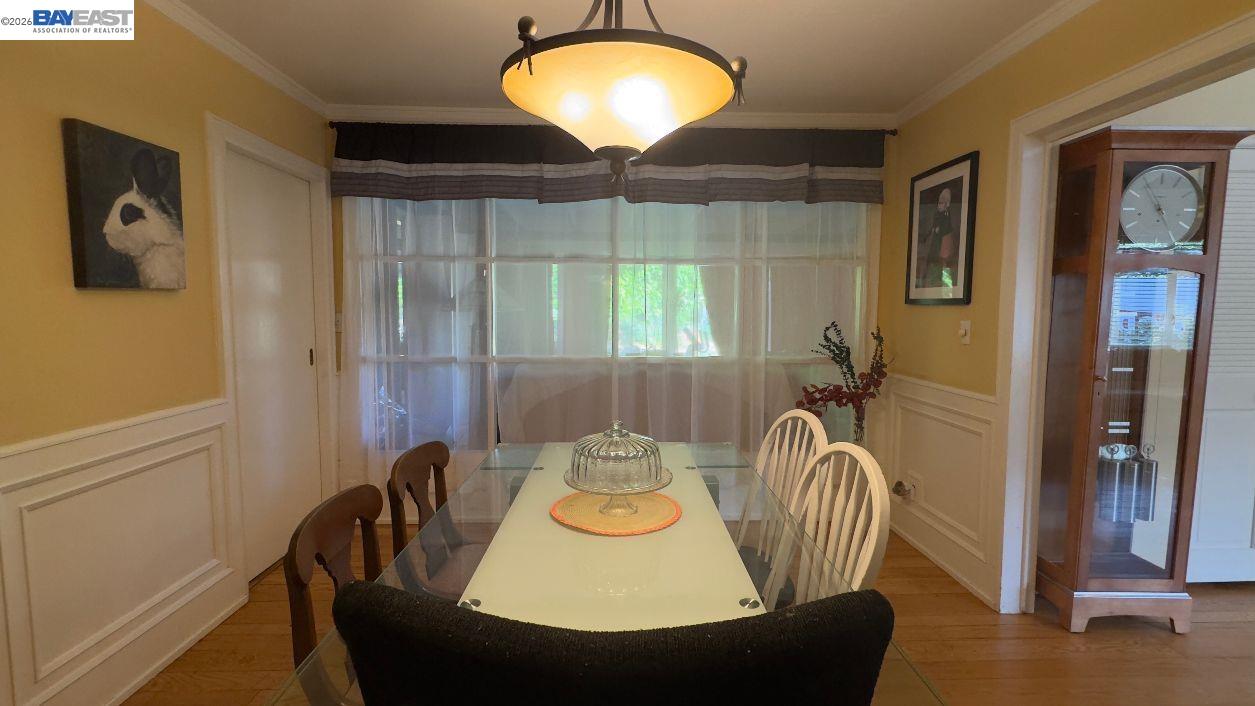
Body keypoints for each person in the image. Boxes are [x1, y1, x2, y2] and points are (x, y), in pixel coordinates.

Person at [916, 187, 958, 289]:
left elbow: (947, 228)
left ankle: (946, 284)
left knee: (943, 261)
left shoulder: (946, 216)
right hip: (936, 241)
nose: (939, 205)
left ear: (946, 204)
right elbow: (932, 227)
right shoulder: (937, 215)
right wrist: (927, 236)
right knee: (932, 260)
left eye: (942, 203)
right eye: (939, 203)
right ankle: (928, 282)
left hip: (943, 241)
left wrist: (940, 230)